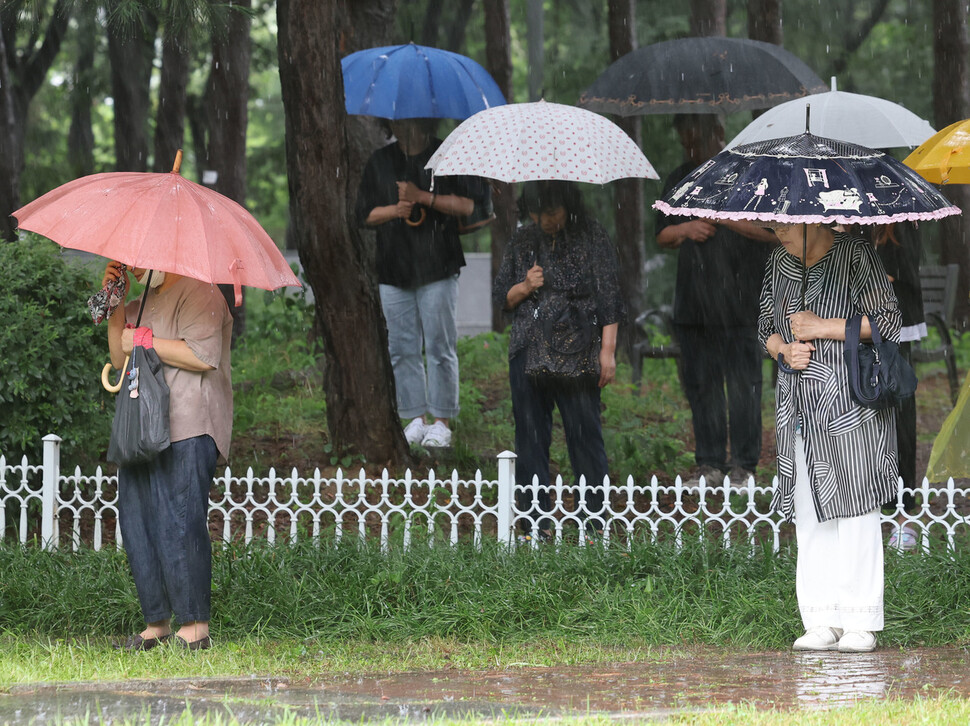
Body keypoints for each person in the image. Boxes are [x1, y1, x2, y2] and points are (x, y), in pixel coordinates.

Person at [759, 223, 900, 653]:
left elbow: (887, 323)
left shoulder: (856, 254)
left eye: (785, 225)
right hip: (799, 406)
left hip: (851, 405)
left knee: (855, 506)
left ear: (812, 220)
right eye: (773, 225)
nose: (778, 233)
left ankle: (860, 621)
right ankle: (821, 618)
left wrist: (821, 327)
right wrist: (783, 349)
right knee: (809, 510)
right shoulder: (778, 263)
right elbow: (765, 325)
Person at [103, 261, 233, 651]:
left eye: (135, 258)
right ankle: (156, 622)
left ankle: (194, 627)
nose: (129, 264)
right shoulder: (143, 300)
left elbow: (202, 355)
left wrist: (142, 340)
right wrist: (116, 304)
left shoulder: (202, 291)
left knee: (179, 523)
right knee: (138, 522)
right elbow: (117, 354)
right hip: (142, 428)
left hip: (189, 425)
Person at [492, 181, 624, 542]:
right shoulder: (522, 241)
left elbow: (610, 295)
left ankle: (593, 524)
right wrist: (525, 286)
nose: (546, 220)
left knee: (585, 437)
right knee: (531, 439)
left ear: (568, 205)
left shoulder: (592, 235)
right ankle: (534, 527)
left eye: (552, 212)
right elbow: (501, 297)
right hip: (527, 350)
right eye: (537, 213)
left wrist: (607, 352)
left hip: (579, 350)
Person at [655, 114, 776, 485]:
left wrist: (722, 218)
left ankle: (743, 466)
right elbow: (661, 234)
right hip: (694, 305)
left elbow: (771, 230)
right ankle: (708, 463)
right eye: (685, 142)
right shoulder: (679, 178)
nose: (691, 149)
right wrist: (686, 227)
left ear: (719, 135)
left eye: (697, 141)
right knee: (702, 386)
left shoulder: (749, 173)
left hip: (741, 304)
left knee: (743, 387)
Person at [355, 118, 489, 449]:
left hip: (438, 267)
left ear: (424, 120)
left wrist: (424, 198)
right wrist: (396, 210)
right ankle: (415, 418)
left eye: (410, 119)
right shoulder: (380, 161)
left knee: (440, 347)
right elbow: (363, 215)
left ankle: (441, 422)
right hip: (393, 269)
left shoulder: (449, 154)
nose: (404, 125)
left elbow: (469, 205)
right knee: (401, 349)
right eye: (397, 120)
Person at [873, 222, 925, 551]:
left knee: (900, 418)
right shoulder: (857, 225)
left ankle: (904, 514)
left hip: (896, 328)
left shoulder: (903, 222)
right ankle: (869, 509)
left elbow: (900, 275)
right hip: (854, 331)